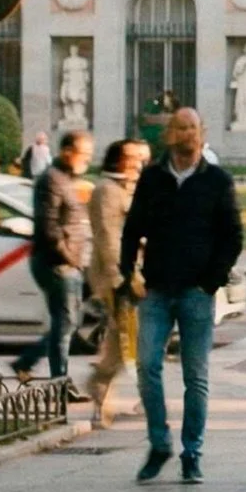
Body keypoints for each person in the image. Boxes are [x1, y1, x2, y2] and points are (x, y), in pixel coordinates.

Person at [118, 107, 244, 484]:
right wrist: (128, 273)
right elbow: (132, 229)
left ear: (202, 134)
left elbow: (233, 236)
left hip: (196, 292)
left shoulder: (217, 181)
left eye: (193, 128)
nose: (187, 134)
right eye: (180, 128)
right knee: (147, 366)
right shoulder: (153, 178)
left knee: (196, 376)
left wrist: (211, 280)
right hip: (156, 289)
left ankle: (192, 452)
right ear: (169, 134)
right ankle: (159, 443)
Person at [15, 130, 92, 396]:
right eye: (84, 154)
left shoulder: (66, 179)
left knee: (67, 323)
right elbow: (49, 229)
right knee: (65, 324)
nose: (87, 160)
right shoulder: (51, 180)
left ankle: (28, 363)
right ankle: (59, 383)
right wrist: (71, 260)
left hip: (67, 264)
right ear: (67, 151)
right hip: (57, 264)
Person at [83, 138, 150, 428]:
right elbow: (108, 238)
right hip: (120, 278)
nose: (139, 163)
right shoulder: (107, 191)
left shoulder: (127, 188)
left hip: (136, 275)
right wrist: (120, 279)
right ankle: (146, 395)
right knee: (131, 338)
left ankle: (100, 387)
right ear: (117, 160)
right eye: (133, 158)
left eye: (141, 158)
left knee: (121, 339)